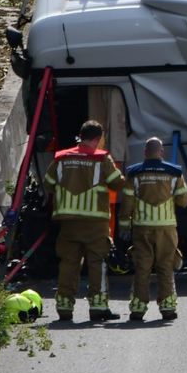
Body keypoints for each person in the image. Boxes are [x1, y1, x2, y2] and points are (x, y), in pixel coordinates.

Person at [42, 120, 126, 322]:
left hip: (68, 223)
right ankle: (98, 308)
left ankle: (64, 307)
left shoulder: (62, 158)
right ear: (97, 139)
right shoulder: (101, 159)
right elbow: (118, 184)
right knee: (98, 263)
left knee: (68, 264)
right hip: (95, 222)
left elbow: (48, 183)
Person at [119, 137, 187, 322]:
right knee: (166, 266)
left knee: (142, 268)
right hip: (166, 229)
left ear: (145, 152)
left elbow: (126, 203)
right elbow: (184, 201)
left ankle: (138, 309)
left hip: (142, 229)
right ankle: (167, 308)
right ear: (162, 152)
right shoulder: (174, 173)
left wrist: (124, 226)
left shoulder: (134, 173)